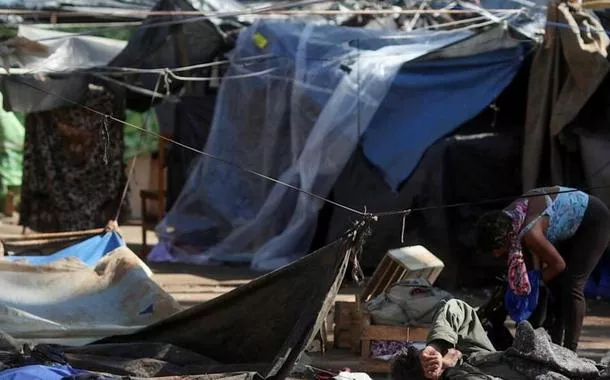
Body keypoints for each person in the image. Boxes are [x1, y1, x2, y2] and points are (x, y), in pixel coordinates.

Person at [474, 186, 610, 351]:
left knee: (571, 285)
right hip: (568, 222)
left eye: (495, 251)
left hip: (593, 220)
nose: (496, 256)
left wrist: (533, 281)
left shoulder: (530, 234)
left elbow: (558, 265)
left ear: (504, 240)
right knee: (552, 285)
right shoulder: (506, 221)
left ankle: (570, 351)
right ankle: (553, 344)